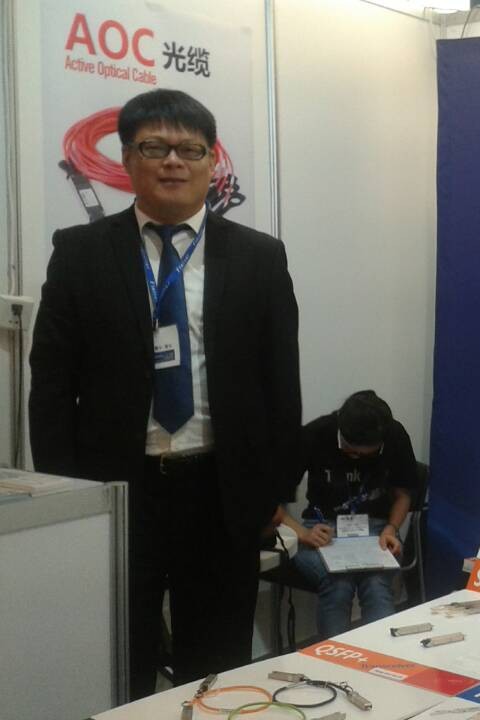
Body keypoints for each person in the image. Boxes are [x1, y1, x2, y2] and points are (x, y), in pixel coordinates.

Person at [28, 89, 301, 699]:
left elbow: (281, 381)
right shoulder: (80, 253)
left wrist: (276, 491)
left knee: (219, 664)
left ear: (212, 162)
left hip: (222, 493)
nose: (173, 161)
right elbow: (51, 383)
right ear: (127, 158)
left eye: (190, 149)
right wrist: (67, 493)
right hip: (118, 492)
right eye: (155, 147)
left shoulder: (259, 257)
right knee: (114, 656)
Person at [280, 390, 416, 639]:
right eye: (350, 451)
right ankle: (334, 657)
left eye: (367, 455)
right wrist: (301, 533)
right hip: (320, 527)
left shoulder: (394, 435)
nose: (356, 459)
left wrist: (392, 528)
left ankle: (382, 654)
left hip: (378, 528)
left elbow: (403, 495)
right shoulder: (316, 434)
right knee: (337, 584)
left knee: (376, 584)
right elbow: (271, 501)